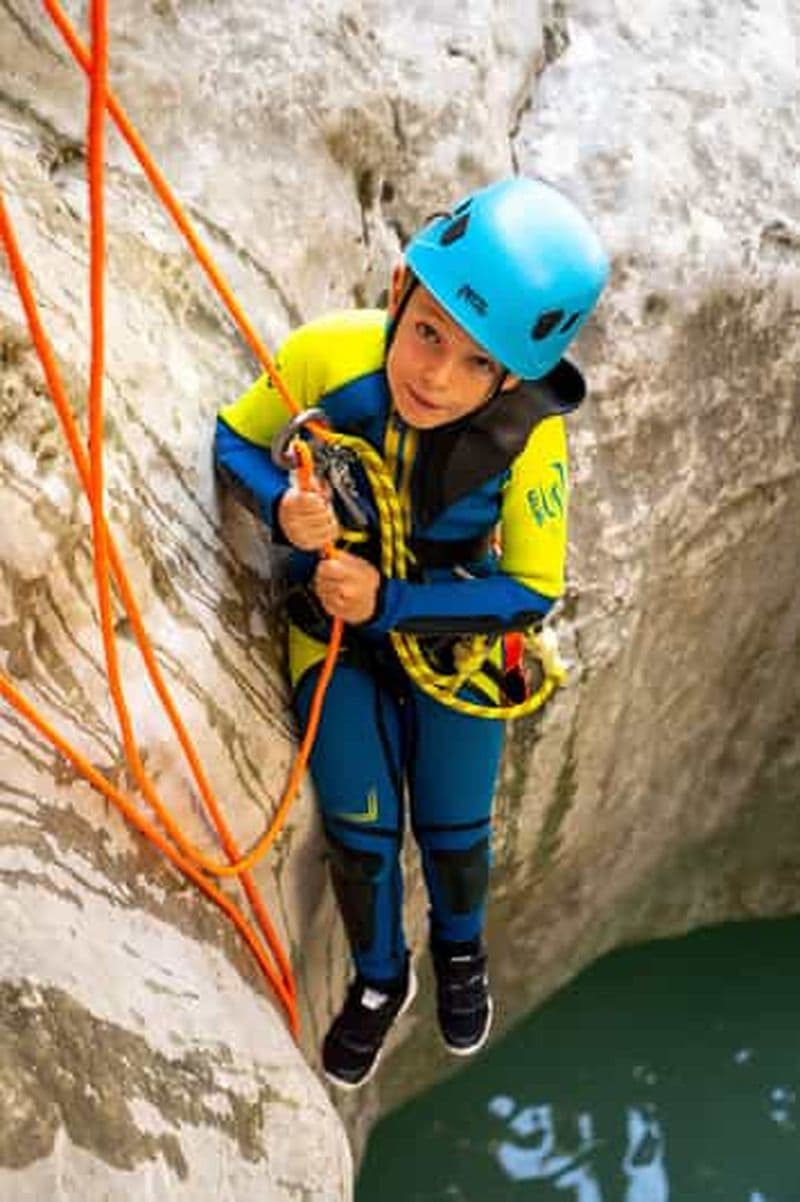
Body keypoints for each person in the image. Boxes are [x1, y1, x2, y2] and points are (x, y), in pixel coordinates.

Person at [214, 176, 609, 1089]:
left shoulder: (529, 438)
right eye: (428, 331)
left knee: (453, 827)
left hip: (448, 627)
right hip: (335, 630)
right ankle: (380, 978)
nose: (434, 376)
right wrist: (285, 507)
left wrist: (387, 602)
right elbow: (235, 441)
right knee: (361, 825)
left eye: (475, 364)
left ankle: (462, 959)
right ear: (398, 292)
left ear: (513, 378)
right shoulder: (332, 355)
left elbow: (528, 590)